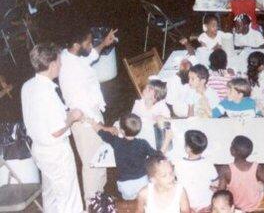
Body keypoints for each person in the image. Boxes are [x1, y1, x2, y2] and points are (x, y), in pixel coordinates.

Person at [21, 43, 84, 213]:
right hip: (56, 153)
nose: (61, 65)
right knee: (68, 199)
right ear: (53, 65)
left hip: (39, 150)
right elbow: (56, 130)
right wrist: (73, 116)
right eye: (60, 62)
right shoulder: (47, 93)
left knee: (51, 195)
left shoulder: (27, 86)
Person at [58, 27, 117, 204]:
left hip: (93, 114)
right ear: (76, 45)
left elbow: (90, 56)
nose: (92, 45)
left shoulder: (71, 54)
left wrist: (103, 44)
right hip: (86, 123)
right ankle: (92, 203)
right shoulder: (70, 72)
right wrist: (101, 127)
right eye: (89, 43)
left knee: (100, 160)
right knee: (93, 166)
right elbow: (79, 109)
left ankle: (100, 200)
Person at [87, 113, 164, 200]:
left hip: (125, 187)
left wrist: (92, 123)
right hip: (143, 184)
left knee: (124, 193)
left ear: (122, 131)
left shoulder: (116, 141)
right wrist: (167, 140)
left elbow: (101, 132)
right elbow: (158, 156)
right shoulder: (143, 143)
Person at [218, 135, 264, 211]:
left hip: (236, 205)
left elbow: (220, 192)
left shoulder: (226, 169)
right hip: (255, 203)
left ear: (232, 151)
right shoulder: (256, 166)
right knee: (261, 186)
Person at [169, 130, 218, 212]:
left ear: (188, 148)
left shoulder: (178, 164)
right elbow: (216, 184)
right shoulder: (208, 163)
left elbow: (173, 183)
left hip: (186, 205)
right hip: (206, 205)